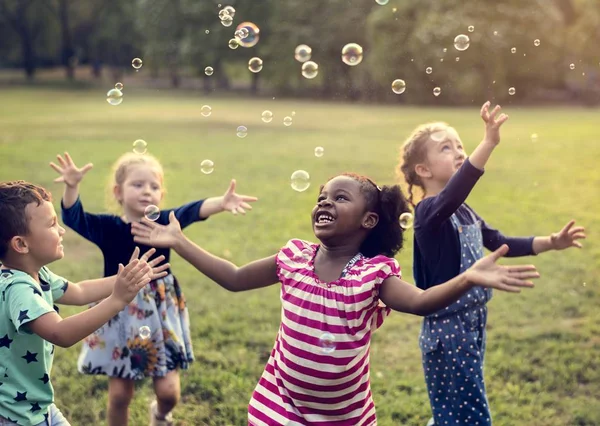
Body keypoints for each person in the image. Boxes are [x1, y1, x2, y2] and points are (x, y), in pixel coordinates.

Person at [130, 172, 540, 426]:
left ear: (369, 220)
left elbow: (420, 301)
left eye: (340, 197)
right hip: (282, 402)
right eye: (322, 196)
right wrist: (180, 242)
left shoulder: (371, 276)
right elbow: (235, 278)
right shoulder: (292, 257)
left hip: (346, 415)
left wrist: (468, 277)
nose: (325, 201)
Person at [398, 102, 586, 425]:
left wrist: (550, 242)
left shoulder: (464, 212)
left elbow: (502, 242)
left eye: (460, 145)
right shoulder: (428, 213)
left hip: (472, 323)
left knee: (458, 406)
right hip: (448, 330)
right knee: (469, 413)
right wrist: (488, 144)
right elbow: (456, 191)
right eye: (446, 147)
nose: (458, 151)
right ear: (423, 170)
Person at [50, 152, 257, 426]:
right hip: (120, 310)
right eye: (137, 185)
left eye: (154, 186)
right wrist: (72, 186)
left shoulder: (164, 224)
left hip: (160, 312)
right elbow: (75, 218)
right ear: (118, 192)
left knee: (168, 392)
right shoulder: (108, 228)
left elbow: (194, 210)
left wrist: (222, 202)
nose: (147, 191)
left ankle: (160, 415)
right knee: (120, 395)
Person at [0, 180, 167, 426]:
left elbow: (79, 291)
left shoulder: (37, 273)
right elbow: (60, 333)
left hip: (36, 405)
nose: (62, 230)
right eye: (52, 224)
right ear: (21, 244)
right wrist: (118, 299)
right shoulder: (18, 289)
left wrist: (126, 278)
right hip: (15, 414)